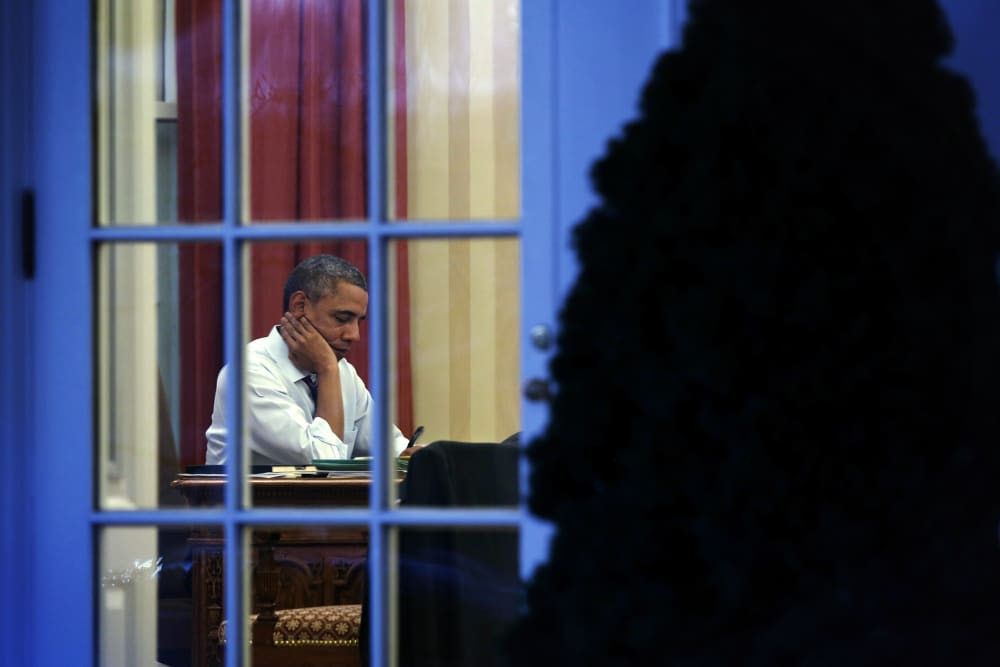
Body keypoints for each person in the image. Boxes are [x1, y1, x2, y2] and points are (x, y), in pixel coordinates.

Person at [205, 254, 420, 465]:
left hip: (322, 501)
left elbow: (392, 447)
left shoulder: (342, 371)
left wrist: (423, 457)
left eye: (359, 321)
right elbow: (324, 462)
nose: (354, 335)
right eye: (342, 319)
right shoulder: (249, 372)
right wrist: (327, 368)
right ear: (299, 306)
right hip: (254, 501)